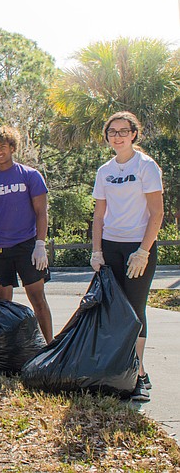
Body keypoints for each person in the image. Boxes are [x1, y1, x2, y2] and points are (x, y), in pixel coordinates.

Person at [90, 111, 163, 402]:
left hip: (138, 246)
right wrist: (97, 251)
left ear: (134, 134)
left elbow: (156, 213)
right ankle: (118, 372)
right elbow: (98, 215)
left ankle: (138, 375)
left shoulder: (146, 166)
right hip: (111, 246)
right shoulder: (104, 171)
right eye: (112, 132)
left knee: (134, 309)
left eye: (123, 131)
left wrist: (143, 251)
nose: (118, 136)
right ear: (107, 137)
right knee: (114, 310)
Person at [0, 125, 52, 341]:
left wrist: (40, 244)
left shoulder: (30, 176)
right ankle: (8, 350)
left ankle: (49, 347)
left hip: (27, 246)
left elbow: (41, 213)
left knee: (37, 298)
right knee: (2, 304)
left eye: (3, 146)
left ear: (12, 147)